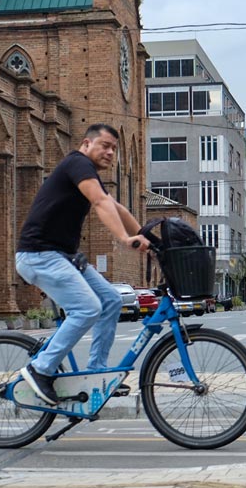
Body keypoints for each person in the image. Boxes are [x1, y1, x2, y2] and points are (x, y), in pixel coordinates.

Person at [14, 123, 150, 405]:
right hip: (39, 255)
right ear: (86, 144)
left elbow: (118, 208)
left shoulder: (88, 175)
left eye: (114, 148)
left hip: (63, 257)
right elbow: (100, 202)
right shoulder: (76, 163)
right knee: (88, 308)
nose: (111, 152)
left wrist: (149, 238)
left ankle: (97, 372)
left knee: (112, 299)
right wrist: (125, 239)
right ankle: (39, 370)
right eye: (105, 145)